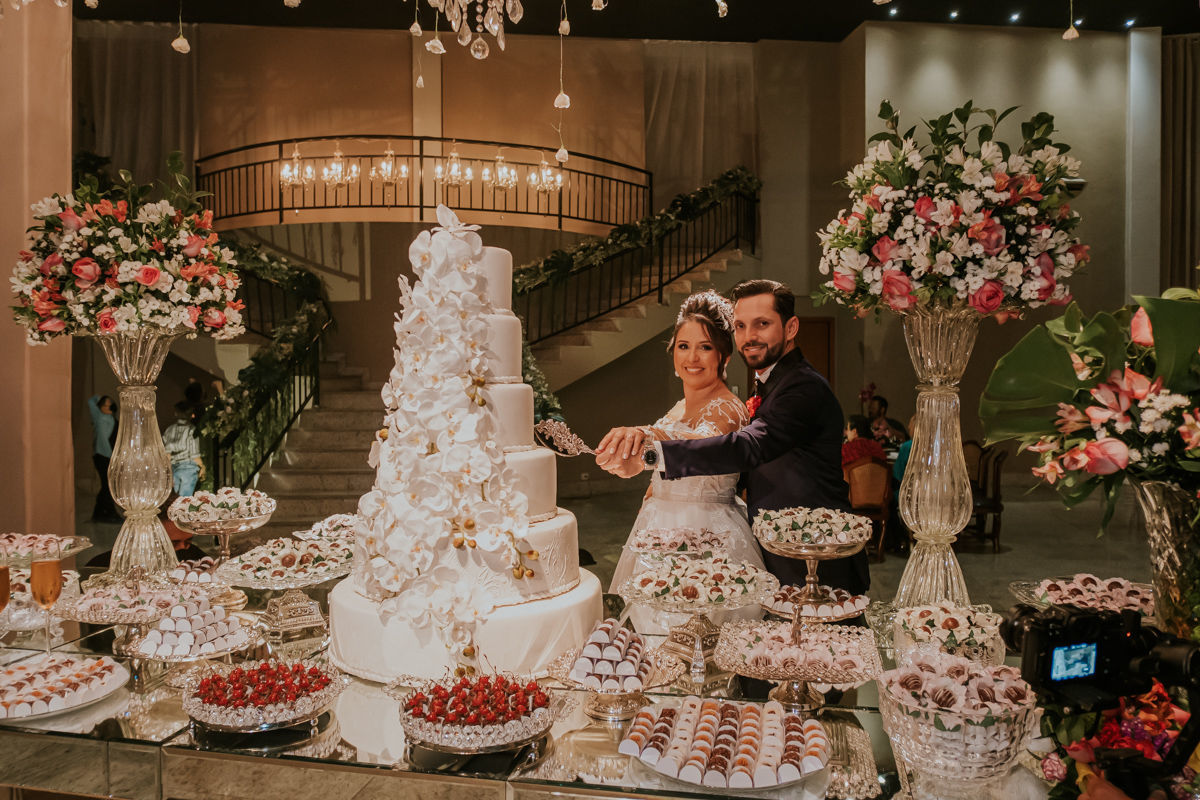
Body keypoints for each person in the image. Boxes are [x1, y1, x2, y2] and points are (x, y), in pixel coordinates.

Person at [597, 279, 868, 595]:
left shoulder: (803, 387)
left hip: (816, 559)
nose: (749, 336)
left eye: (762, 324)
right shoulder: (771, 384)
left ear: (791, 327)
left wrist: (653, 451)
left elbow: (750, 446)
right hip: (778, 551)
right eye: (740, 326)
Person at [603, 291, 765, 594]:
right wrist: (634, 473)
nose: (692, 358)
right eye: (683, 346)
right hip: (656, 532)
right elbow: (660, 473)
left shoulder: (729, 408)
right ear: (673, 354)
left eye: (705, 347)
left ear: (724, 356)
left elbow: (702, 445)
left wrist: (648, 435)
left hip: (710, 538)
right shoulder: (677, 407)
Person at [87, 394, 121, 523]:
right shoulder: (98, 417)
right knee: (107, 486)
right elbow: (91, 400)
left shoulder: (113, 419)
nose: (107, 406)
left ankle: (99, 513)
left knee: (107, 486)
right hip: (101, 455)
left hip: (111, 456)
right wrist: (101, 397)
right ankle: (110, 513)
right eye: (104, 404)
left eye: (109, 404)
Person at [162, 401, 205, 497]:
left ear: (176, 413)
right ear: (191, 415)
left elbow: (166, 453)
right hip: (188, 467)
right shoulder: (191, 430)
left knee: (175, 499)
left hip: (174, 468)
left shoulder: (169, 429)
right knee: (185, 500)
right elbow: (194, 454)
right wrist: (202, 467)